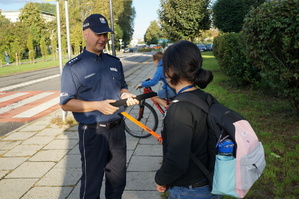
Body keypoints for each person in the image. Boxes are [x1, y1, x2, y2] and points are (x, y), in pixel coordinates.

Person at [60, 14, 139, 199]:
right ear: (85, 34)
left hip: (118, 131)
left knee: (118, 181)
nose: (103, 38)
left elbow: (121, 86)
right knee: (91, 184)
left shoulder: (114, 62)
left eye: (105, 34)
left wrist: (125, 94)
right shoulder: (74, 67)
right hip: (93, 132)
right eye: (98, 34)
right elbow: (65, 104)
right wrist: (98, 106)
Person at [154, 40, 221, 199]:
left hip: (189, 190)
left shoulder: (179, 108)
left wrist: (161, 179)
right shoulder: (206, 98)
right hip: (209, 182)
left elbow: (177, 162)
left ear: (170, 70)